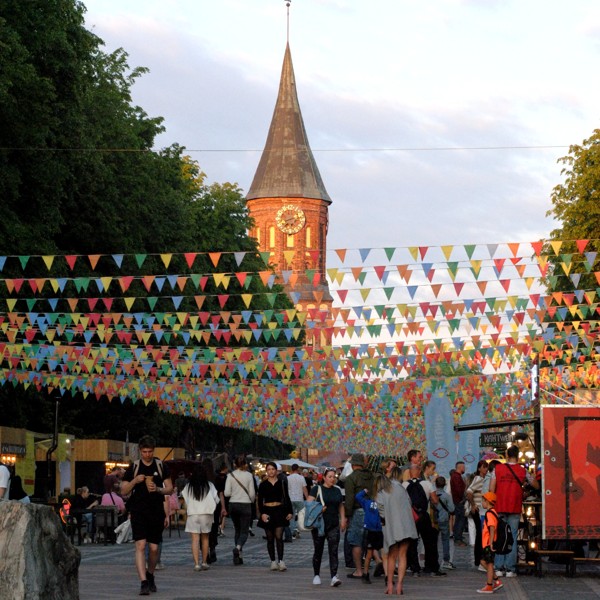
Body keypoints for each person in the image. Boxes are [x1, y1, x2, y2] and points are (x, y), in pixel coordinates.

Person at [120, 435, 172, 596]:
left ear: (153, 450)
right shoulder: (134, 467)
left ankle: (150, 574)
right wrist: (135, 481)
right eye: (144, 451)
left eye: (150, 451)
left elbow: (170, 489)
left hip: (156, 511)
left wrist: (157, 489)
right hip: (138, 512)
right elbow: (123, 491)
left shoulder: (161, 465)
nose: (147, 454)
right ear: (140, 451)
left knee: (154, 548)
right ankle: (143, 582)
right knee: (140, 546)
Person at [490, 445, 539, 578]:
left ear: (506, 455)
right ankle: (510, 569)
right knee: (513, 538)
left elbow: (491, 488)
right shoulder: (523, 471)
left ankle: (499, 568)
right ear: (517, 456)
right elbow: (536, 484)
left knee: (500, 537)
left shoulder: (497, 469)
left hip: (500, 507)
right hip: (515, 508)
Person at [376, 469, 418, 596]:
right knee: (402, 555)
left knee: (391, 556)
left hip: (393, 527)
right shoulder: (402, 489)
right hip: (407, 526)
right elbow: (410, 504)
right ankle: (399, 585)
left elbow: (380, 509)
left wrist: (386, 517)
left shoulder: (382, 492)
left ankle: (390, 584)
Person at [309, 467, 346, 587]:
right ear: (324, 477)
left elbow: (340, 505)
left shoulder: (337, 490)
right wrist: (319, 508)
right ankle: (316, 575)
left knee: (334, 550)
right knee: (318, 550)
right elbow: (309, 504)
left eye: (334, 477)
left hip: (333, 523)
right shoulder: (316, 489)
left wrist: (343, 519)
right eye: (329, 477)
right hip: (319, 524)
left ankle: (334, 576)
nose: (332, 479)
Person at [181, 464, 220, 571]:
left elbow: (185, 500)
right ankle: (204, 562)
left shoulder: (188, 486)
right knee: (205, 538)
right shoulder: (209, 485)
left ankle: (196, 564)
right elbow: (216, 500)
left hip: (193, 514)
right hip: (206, 514)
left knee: (195, 539)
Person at [257, 461, 293, 571]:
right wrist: (262, 513)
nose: (271, 471)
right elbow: (259, 500)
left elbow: (287, 498)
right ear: (266, 471)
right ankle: (273, 561)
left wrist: (290, 512)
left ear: (276, 470)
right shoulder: (263, 484)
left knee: (279, 537)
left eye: (273, 469)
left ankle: (281, 561)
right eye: (269, 469)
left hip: (280, 510)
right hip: (267, 511)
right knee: (270, 538)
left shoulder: (282, 482)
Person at [344, 453, 374, 580]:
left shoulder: (351, 478)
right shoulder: (371, 476)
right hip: (372, 509)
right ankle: (376, 563)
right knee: (371, 541)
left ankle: (359, 571)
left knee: (356, 542)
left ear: (352, 464)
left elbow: (350, 499)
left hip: (358, 511)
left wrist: (347, 516)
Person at [224, 454, 255, 565]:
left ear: (234, 464)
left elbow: (227, 493)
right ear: (245, 464)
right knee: (244, 531)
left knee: (237, 530)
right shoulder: (249, 476)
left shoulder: (230, 475)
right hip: (245, 504)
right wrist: (251, 501)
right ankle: (237, 548)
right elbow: (252, 493)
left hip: (233, 504)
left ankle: (238, 557)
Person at [355, 486, 384, 583]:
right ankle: (387, 577)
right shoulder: (381, 504)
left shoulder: (367, 503)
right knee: (382, 553)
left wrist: (364, 491)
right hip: (377, 530)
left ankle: (366, 574)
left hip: (370, 529)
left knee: (369, 554)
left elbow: (358, 497)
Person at [477, 492, 503, 594]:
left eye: (483, 501)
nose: (482, 503)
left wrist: (491, 543)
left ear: (487, 502)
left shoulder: (489, 513)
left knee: (489, 564)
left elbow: (492, 528)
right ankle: (496, 580)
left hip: (489, 543)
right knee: (484, 562)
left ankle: (489, 586)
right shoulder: (493, 512)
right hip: (488, 543)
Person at [466, 460, 489, 568]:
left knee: (480, 535)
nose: (486, 469)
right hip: (478, 511)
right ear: (479, 468)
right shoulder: (479, 479)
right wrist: (473, 504)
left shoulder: (483, 479)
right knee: (480, 535)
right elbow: (469, 491)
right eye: (484, 467)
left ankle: (478, 559)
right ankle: (479, 559)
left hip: (480, 510)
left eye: (487, 467)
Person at [432, 476, 455, 569]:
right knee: (445, 540)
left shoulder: (432, 495)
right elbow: (452, 509)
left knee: (434, 542)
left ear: (435, 484)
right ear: (445, 484)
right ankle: (446, 560)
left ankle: (434, 560)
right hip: (444, 519)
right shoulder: (447, 496)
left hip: (434, 521)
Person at [285, 463, 307, 539]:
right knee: (301, 515)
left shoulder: (288, 478)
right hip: (299, 499)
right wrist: (307, 498)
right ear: (298, 469)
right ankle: (297, 529)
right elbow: (304, 489)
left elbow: (286, 489)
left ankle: (293, 530)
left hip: (290, 499)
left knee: (292, 516)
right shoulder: (301, 478)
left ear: (292, 469)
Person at [451, 461, 467, 546]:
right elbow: (459, 490)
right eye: (463, 467)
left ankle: (457, 536)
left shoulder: (456, 476)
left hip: (458, 501)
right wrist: (464, 497)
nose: (464, 469)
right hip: (459, 502)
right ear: (460, 467)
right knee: (461, 520)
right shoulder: (456, 477)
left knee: (458, 520)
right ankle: (458, 538)